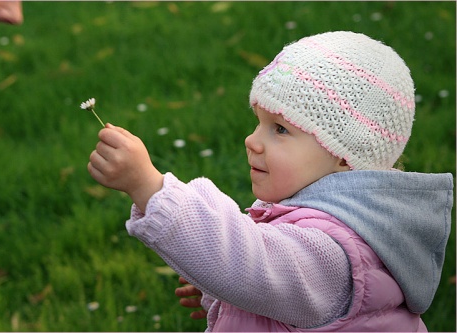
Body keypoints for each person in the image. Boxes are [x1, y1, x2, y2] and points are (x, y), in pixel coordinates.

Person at [87, 31, 453, 331]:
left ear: (343, 155)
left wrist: (148, 186)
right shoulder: (339, 223)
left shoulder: (335, 251)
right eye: (258, 122)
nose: (252, 140)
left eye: (280, 129)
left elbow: (251, 265)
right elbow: (270, 286)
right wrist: (228, 300)